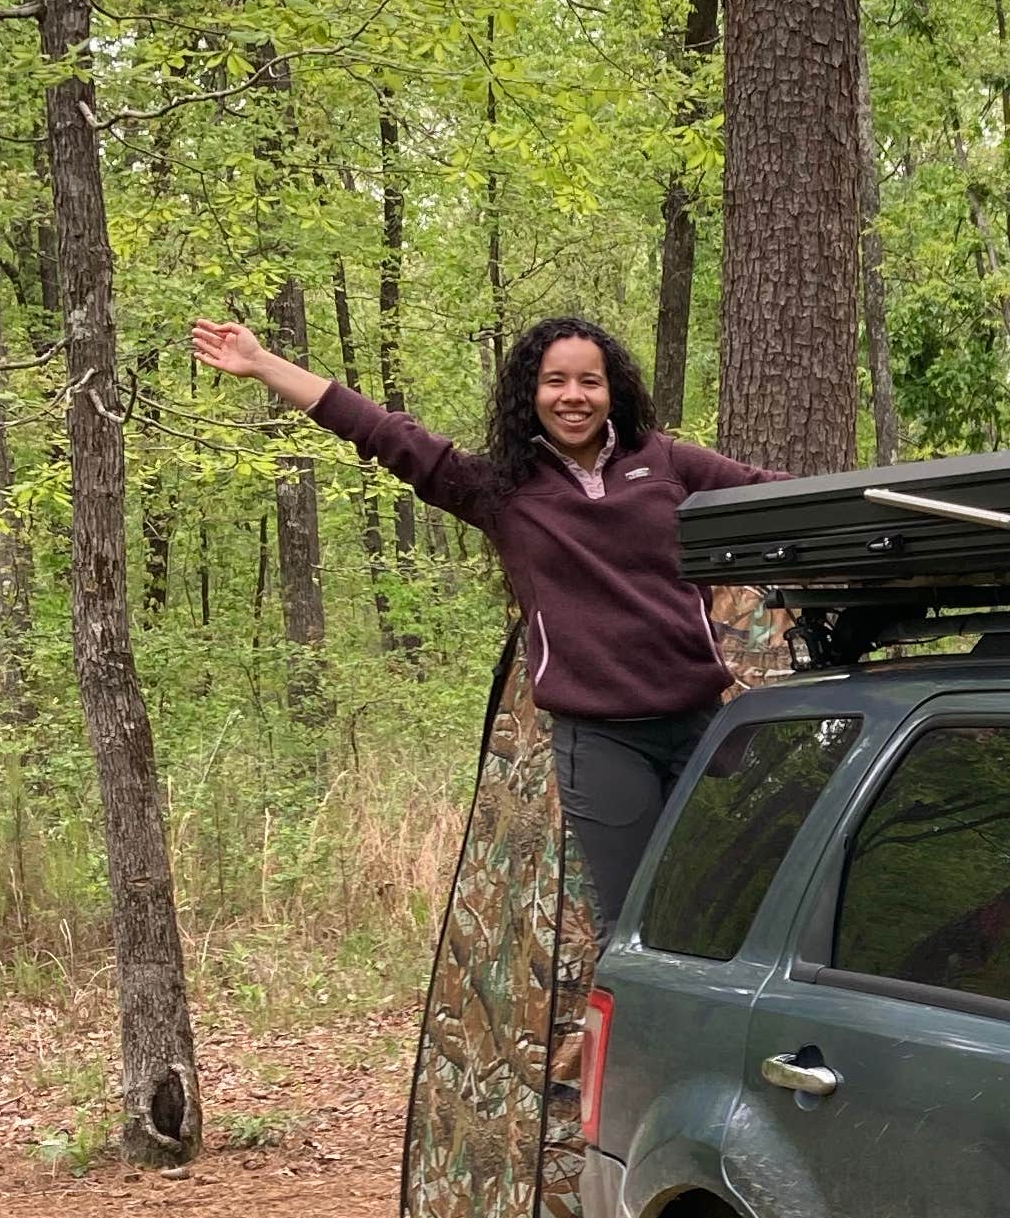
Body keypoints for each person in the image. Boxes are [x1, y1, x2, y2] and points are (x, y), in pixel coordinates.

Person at [190, 312, 788, 930]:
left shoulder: (665, 462)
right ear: (531, 392)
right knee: (632, 926)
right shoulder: (500, 489)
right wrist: (262, 364)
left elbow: (772, 494)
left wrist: (889, 497)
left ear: (615, 391)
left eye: (591, 381)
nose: (574, 397)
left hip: (701, 723)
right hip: (603, 742)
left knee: (732, 912)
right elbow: (383, 433)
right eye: (555, 381)